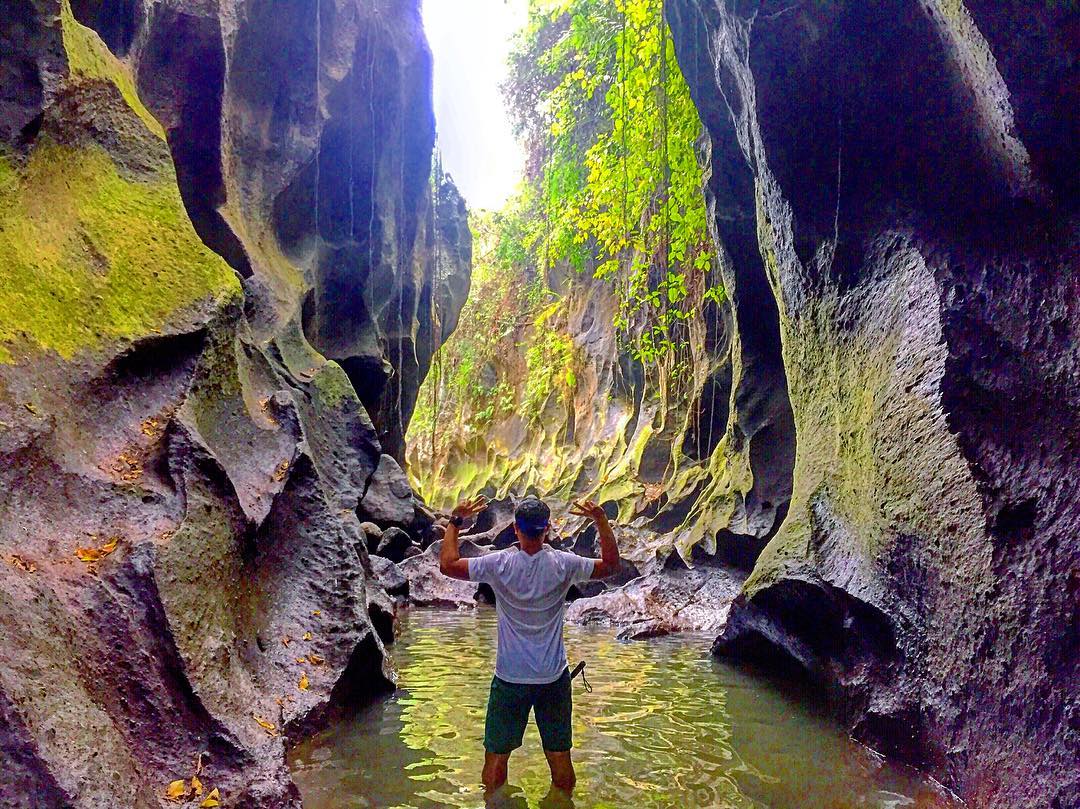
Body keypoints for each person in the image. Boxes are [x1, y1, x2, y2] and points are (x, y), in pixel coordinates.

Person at [439, 494, 620, 795]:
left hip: (510, 679)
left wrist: (455, 522)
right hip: (552, 678)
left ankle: (495, 803)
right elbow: (612, 565)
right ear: (547, 529)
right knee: (560, 756)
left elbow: (448, 564)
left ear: (515, 529)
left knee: (496, 759)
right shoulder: (564, 564)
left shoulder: (498, 564)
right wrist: (601, 521)